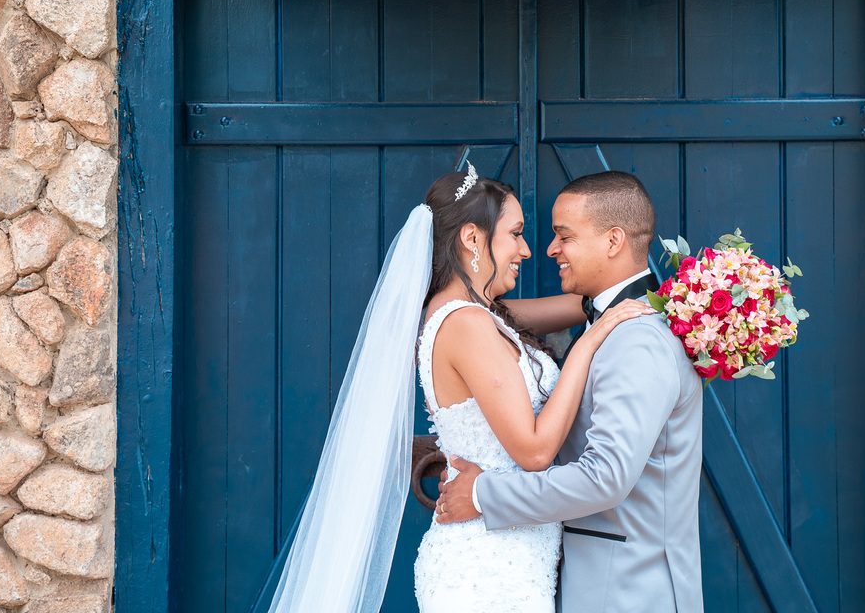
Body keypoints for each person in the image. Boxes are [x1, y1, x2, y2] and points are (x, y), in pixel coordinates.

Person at [266, 164, 650, 613]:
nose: (527, 251)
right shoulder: (467, 324)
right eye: (516, 234)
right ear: (472, 238)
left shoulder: (478, 315)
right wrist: (586, 348)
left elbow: (582, 303)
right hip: (487, 568)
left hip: (513, 553)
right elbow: (534, 452)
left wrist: (678, 298)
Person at [437, 171, 705, 613]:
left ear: (613, 240)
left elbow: (605, 477)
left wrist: (483, 494)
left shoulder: (637, 339)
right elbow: (481, 318)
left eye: (564, 236)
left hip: (627, 592)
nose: (548, 249)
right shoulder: (606, 322)